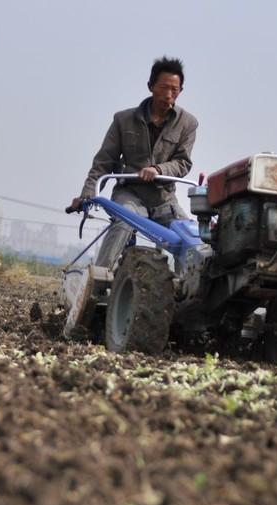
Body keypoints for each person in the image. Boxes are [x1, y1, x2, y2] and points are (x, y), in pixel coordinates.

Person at [63, 56, 197, 334]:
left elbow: (183, 163)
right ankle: (96, 285)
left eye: (175, 90)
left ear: (180, 92)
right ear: (150, 86)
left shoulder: (188, 123)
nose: (169, 95)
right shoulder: (124, 120)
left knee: (192, 241)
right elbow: (103, 163)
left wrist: (158, 169)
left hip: (164, 198)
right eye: (164, 88)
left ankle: (190, 299)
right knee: (125, 221)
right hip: (130, 193)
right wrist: (87, 195)